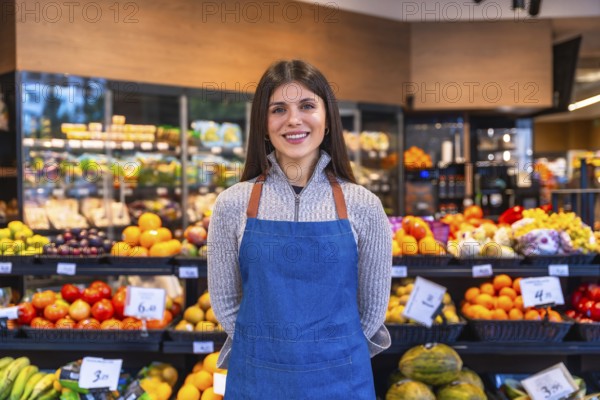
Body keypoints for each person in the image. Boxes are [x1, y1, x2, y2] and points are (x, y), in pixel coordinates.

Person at [207, 59, 392, 399]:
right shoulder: (232, 204)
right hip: (259, 377)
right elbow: (225, 301)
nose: (294, 120)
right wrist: (268, 349)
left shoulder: (364, 206)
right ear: (263, 124)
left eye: (307, 106)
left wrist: (329, 352)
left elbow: (373, 310)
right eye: (278, 109)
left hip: (340, 379)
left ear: (327, 118)